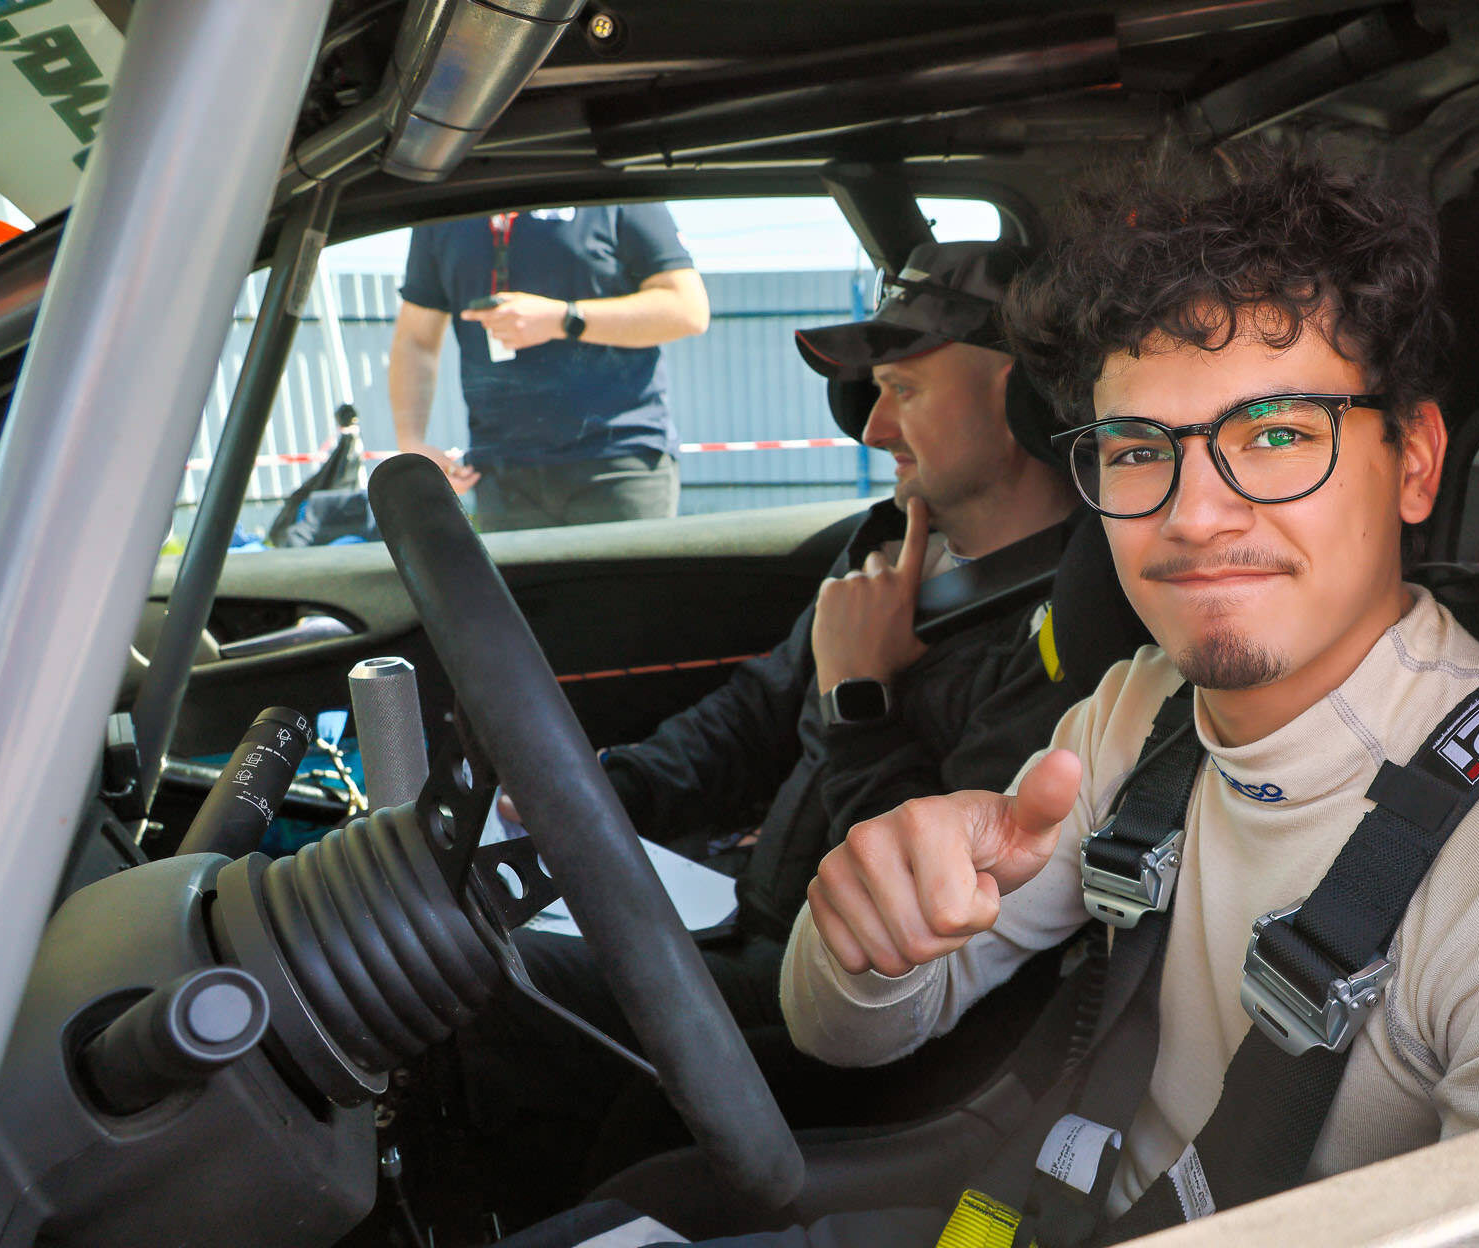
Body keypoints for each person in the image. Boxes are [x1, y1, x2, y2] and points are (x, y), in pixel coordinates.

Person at [315, 151, 1479, 1248]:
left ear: (1414, 461)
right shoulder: (1139, 715)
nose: (1194, 513)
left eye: (1275, 435)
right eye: (1139, 448)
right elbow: (844, 1032)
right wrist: (868, 939)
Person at [456, 240, 1085, 1188]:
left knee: (479, 986)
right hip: (744, 918)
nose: (873, 427)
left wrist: (860, 697)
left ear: (1022, 397)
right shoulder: (889, 544)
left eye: (904, 391)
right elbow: (753, 718)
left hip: (834, 1003)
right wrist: (600, 798)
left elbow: (933, 911)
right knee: (463, 934)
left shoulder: (1069, 631)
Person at [389, 203, 710, 531]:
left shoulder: (615, 194)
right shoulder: (444, 213)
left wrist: (563, 319)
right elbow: (416, 339)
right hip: (500, 471)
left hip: (620, 459)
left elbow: (688, 309)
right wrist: (411, 442)